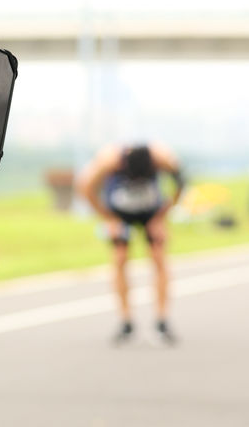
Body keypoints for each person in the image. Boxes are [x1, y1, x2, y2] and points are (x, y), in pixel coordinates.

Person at [76, 142, 184, 345]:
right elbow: (85, 187)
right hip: (120, 212)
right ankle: (126, 321)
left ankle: (162, 320)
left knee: (159, 257)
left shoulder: (162, 158)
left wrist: (162, 216)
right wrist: (108, 218)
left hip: (150, 210)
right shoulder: (109, 160)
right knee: (120, 258)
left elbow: (181, 183)